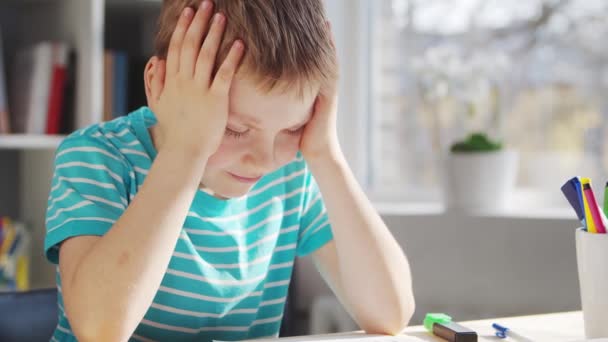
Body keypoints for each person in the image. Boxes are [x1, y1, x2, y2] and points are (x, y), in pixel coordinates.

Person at [44, 1, 415, 341]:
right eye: (234, 129)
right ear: (159, 85)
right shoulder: (98, 157)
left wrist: (325, 153)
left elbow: (391, 312)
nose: (264, 160)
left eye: (292, 128)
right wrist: (185, 152)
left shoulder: (291, 172)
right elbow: (99, 328)